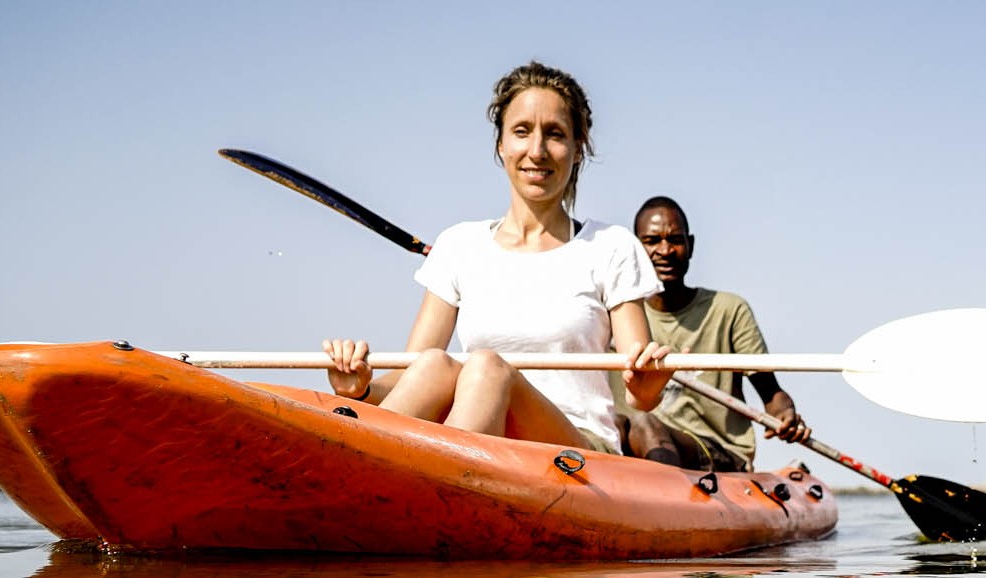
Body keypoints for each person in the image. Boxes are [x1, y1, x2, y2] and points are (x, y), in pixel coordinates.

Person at [323, 62, 672, 455]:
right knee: (435, 364)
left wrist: (646, 391)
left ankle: (411, 470)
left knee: (486, 367)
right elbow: (409, 374)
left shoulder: (611, 246)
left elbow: (640, 389)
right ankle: (355, 462)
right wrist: (361, 388)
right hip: (482, 441)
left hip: (579, 454)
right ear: (501, 145)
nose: (537, 151)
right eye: (522, 131)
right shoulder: (458, 244)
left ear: (578, 148)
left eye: (554, 134)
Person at [617, 197, 811, 471]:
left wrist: (785, 414)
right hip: (632, 448)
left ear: (691, 245)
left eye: (675, 240)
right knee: (613, 425)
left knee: (646, 424)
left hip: (718, 451)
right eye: (651, 241)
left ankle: (668, 493)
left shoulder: (729, 310)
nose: (665, 250)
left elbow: (772, 395)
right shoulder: (617, 314)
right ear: (635, 249)